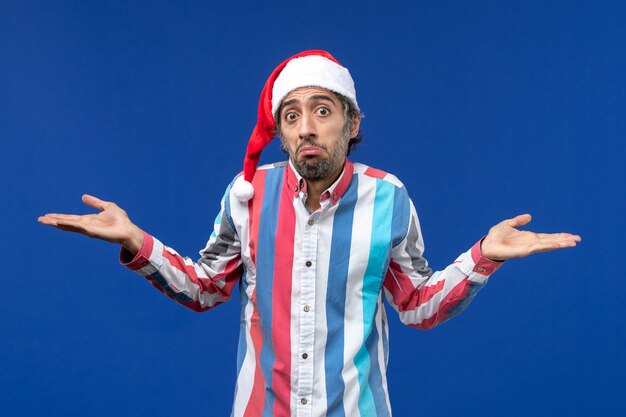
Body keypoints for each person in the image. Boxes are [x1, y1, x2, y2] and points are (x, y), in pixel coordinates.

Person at [38, 50, 581, 417]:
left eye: (322, 111)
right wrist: (135, 239)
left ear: (352, 123)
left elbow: (418, 305)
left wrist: (485, 255)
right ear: (281, 131)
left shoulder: (388, 197)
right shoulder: (247, 194)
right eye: (292, 115)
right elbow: (206, 287)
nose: (307, 127)